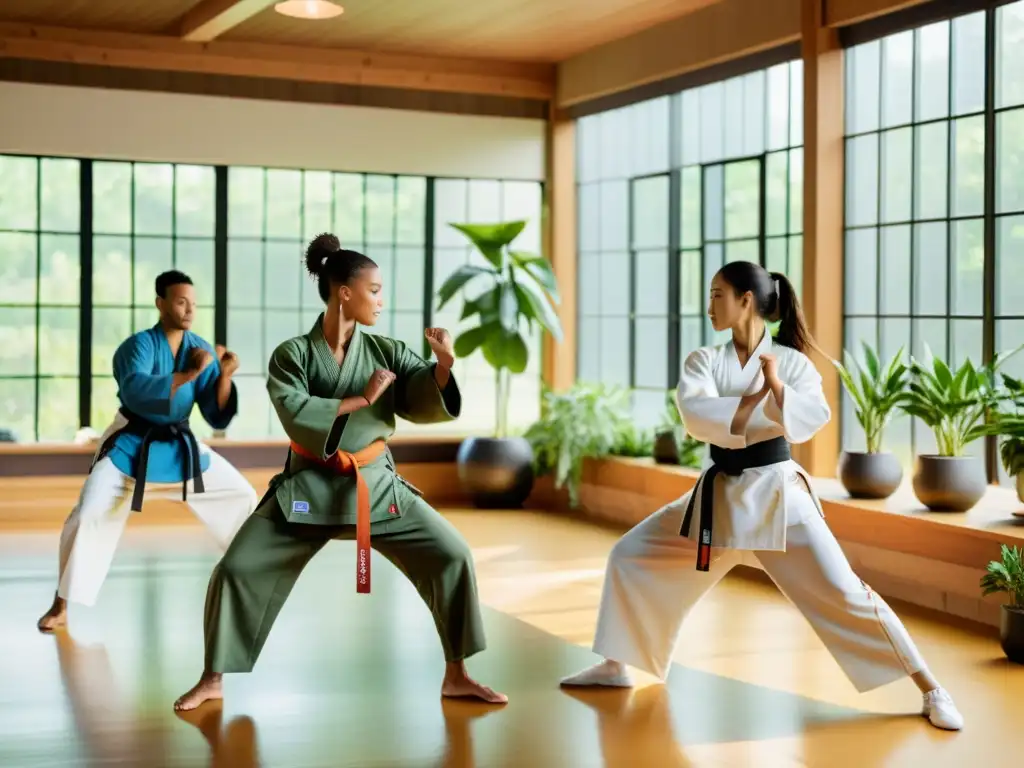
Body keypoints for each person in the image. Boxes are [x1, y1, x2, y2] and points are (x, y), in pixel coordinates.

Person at [559, 261, 964, 732]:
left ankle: (932, 688)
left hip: (779, 500)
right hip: (717, 498)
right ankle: (616, 664)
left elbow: (813, 418)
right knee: (631, 554)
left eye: (717, 295)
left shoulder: (792, 363)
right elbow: (695, 415)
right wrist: (757, 400)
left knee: (847, 594)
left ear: (745, 301)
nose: (709, 305)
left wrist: (775, 386)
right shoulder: (704, 360)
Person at [173, 234, 506, 712]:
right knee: (235, 569)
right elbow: (296, 411)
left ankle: (458, 674)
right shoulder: (292, 355)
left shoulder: (386, 350)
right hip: (307, 488)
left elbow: (417, 392)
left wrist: (443, 366)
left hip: (375, 486)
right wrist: (362, 399)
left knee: (452, 554)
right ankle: (212, 678)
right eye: (374, 290)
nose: (381, 300)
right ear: (343, 292)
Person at [37, 270, 259, 632]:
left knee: (242, 494)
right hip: (131, 445)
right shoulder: (137, 346)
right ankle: (61, 604)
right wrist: (188, 375)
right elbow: (135, 391)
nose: (189, 310)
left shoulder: (198, 348)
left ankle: (248, 583)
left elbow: (215, 412)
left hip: (179, 446)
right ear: (161, 303)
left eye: (194, 304)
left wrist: (225, 376)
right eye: (180, 301)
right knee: (88, 512)